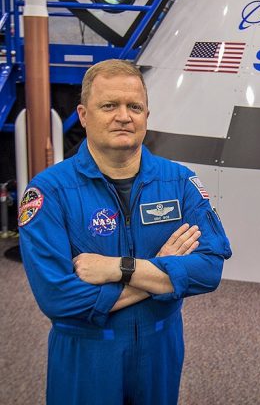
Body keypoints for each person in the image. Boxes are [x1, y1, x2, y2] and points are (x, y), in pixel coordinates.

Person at [18, 59, 232, 405]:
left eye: (135, 107)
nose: (124, 116)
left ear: (147, 116)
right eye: (109, 106)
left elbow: (209, 270)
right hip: (86, 352)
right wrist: (161, 270)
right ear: (84, 115)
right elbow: (59, 299)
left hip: (160, 348)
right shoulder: (49, 192)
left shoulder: (179, 182)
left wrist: (121, 267)